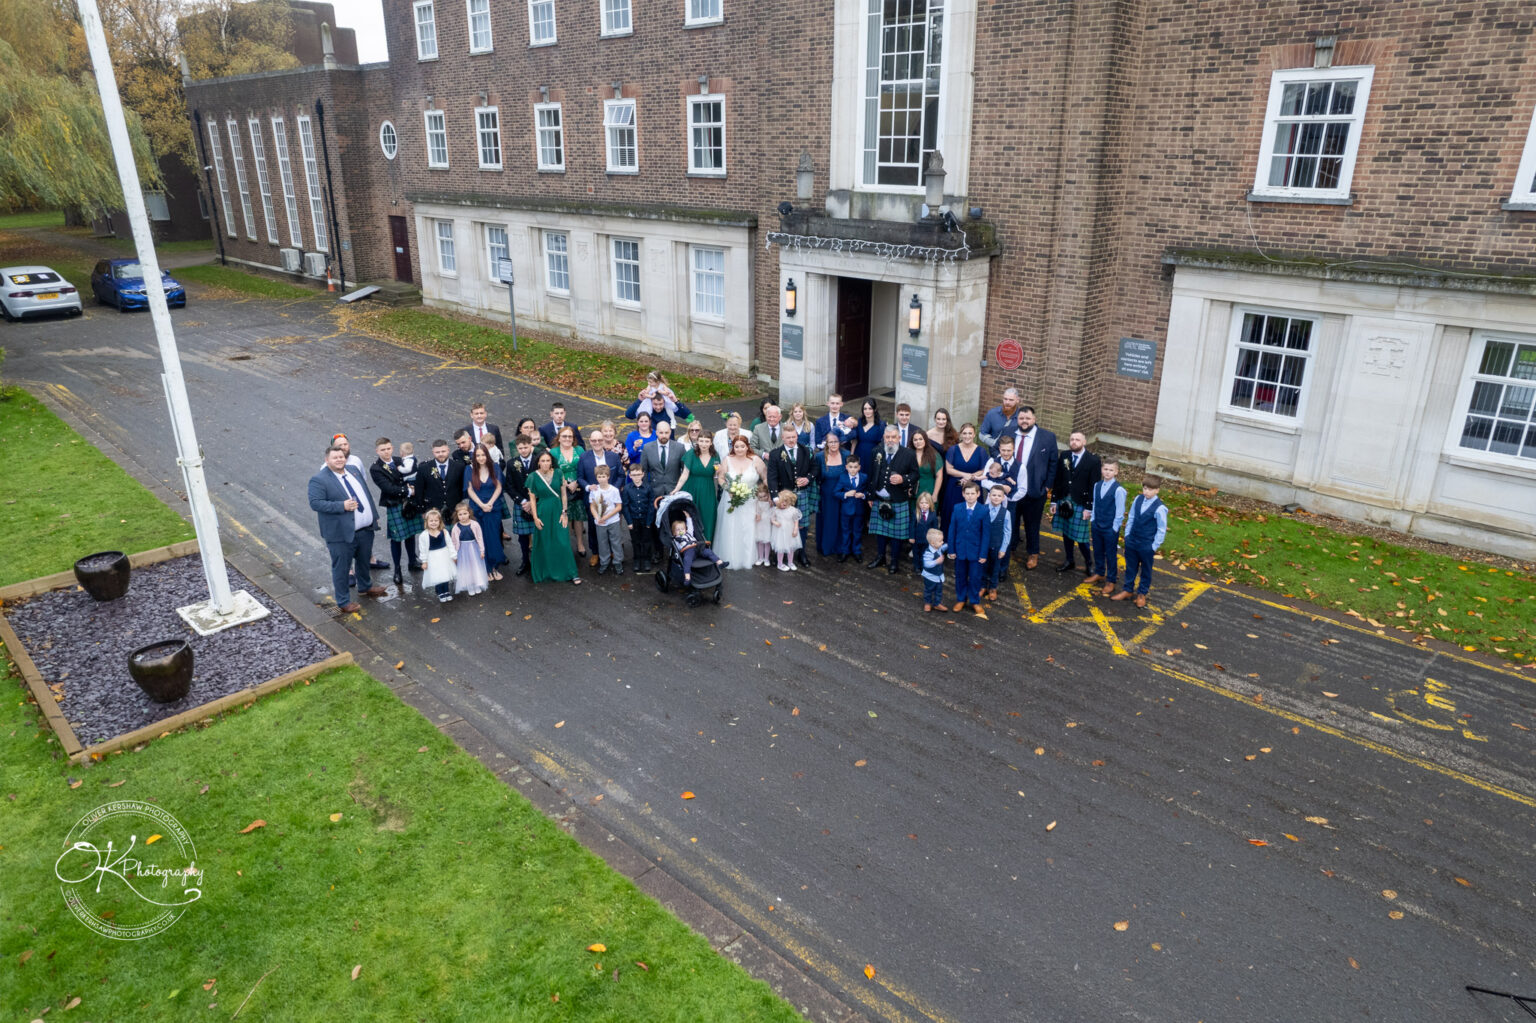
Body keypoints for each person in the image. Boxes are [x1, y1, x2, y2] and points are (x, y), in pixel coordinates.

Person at [308, 444, 388, 612]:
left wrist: (373, 516)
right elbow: (315, 503)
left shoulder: (353, 470)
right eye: (335, 457)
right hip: (340, 534)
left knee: (364, 560)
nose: (339, 460)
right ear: (327, 460)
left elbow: (365, 494)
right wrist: (342, 506)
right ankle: (343, 602)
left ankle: (365, 587)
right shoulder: (319, 479)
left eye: (341, 456)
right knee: (342, 568)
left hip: (365, 529)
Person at [370, 437, 422, 585]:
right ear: (377, 451)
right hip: (395, 504)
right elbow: (388, 488)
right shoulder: (376, 468)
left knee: (411, 534)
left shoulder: (400, 460)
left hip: (409, 503)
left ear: (392, 448)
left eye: (388, 448)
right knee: (397, 538)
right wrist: (408, 491)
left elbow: (414, 472)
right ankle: (397, 569)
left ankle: (413, 561)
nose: (386, 452)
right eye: (382, 450)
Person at [865, 425, 917, 573]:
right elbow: (871, 474)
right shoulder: (876, 451)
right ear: (883, 438)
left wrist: (903, 479)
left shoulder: (909, 454)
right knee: (880, 532)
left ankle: (894, 561)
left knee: (896, 534)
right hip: (879, 498)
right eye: (887, 437)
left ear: (899, 438)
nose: (890, 440)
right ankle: (880, 557)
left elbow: (915, 475)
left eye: (893, 437)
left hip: (898, 499)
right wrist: (870, 495)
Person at [1013, 406, 1059, 571]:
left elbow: (1054, 463)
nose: (1024, 421)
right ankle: (1011, 548)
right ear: (1017, 419)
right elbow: (998, 450)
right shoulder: (1010, 433)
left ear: (1034, 419)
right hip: (1012, 489)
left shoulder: (1047, 437)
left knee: (1032, 525)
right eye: (1021, 418)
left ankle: (1033, 553)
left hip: (1035, 490)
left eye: (1028, 418)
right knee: (1011, 521)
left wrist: (1047, 486)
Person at [527, 450, 582, 584]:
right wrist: (535, 517)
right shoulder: (533, 477)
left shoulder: (558, 473)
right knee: (545, 541)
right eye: (543, 461)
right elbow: (532, 499)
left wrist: (564, 512)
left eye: (548, 460)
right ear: (538, 462)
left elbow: (563, 494)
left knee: (563, 541)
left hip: (558, 509)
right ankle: (546, 571)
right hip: (543, 511)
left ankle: (571, 572)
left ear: (552, 461)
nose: (545, 463)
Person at [1113, 475, 1167, 608]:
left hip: (1146, 545)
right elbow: (1131, 518)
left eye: (1150, 489)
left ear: (1157, 491)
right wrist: (1127, 536)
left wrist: (1153, 546)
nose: (1146, 492)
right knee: (1130, 567)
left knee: (1146, 570)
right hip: (1132, 541)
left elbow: (1161, 529)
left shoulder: (1160, 508)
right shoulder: (1138, 499)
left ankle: (1142, 594)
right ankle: (1128, 590)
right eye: (1145, 488)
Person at [1051, 431, 1100, 574]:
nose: (1074, 442)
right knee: (1066, 533)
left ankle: (1089, 563)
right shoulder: (1065, 455)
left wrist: (1088, 508)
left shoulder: (1093, 460)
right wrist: (1054, 501)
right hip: (1063, 499)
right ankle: (1069, 560)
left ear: (1084, 442)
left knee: (1082, 537)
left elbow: (1093, 486)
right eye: (1072, 439)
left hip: (1081, 502)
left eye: (1077, 440)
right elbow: (1058, 479)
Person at [714, 435, 765, 569]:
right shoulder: (727, 460)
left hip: (750, 500)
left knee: (748, 528)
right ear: (733, 447)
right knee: (731, 527)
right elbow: (721, 478)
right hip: (730, 499)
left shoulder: (756, 460)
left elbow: (765, 479)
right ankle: (730, 556)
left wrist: (767, 497)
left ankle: (748, 557)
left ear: (747, 446)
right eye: (736, 446)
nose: (739, 449)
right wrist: (728, 489)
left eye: (742, 446)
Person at [768, 423, 816, 564]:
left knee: (802, 525)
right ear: (782, 438)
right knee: (782, 525)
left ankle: (802, 553)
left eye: (794, 437)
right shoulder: (775, 454)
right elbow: (771, 477)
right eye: (788, 437)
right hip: (784, 497)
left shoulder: (806, 450)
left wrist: (808, 478)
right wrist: (775, 497)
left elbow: (815, 468)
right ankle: (779, 554)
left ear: (797, 436)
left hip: (802, 494)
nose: (791, 440)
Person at [578, 428, 623, 566]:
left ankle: (612, 551)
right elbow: (580, 477)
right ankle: (596, 553)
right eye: (594, 440)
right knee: (594, 526)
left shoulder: (613, 457)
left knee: (613, 528)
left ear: (604, 441)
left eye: (599, 440)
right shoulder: (584, 457)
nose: (597, 443)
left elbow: (621, 475)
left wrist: (612, 490)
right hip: (594, 500)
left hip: (612, 501)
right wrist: (587, 487)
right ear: (590, 442)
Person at [463, 443, 508, 580]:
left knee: (493, 537)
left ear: (487, 455)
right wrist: (482, 504)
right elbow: (470, 489)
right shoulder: (469, 469)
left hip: (493, 508)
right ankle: (486, 568)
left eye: (483, 455)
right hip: (477, 509)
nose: (481, 458)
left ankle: (494, 567)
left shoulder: (494, 467)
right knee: (480, 539)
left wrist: (490, 503)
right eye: (478, 455)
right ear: (474, 457)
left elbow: (499, 487)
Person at [641, 420, 686, 553]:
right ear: (656, 433)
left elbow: (684, 471)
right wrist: (647, 489)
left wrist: (679, 489)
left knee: (675, 521)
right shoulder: (647, 448)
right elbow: (643, 471)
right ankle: (658, 551)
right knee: (657, 523)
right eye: (661, 432)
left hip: (674, 492)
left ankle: (676, 549)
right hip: (656, 492)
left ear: (670, 432)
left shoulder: (679, 448)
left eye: (666, 432)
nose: (664, 435)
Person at [946, 480, 988, 616]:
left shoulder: (983, 510)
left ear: (978, 494)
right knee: (960, 576)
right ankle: (961, 599)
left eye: (972, 493)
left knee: (975, 577)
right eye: (967, 493)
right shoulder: (957, 508)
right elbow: (952, 530)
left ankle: (975, 601)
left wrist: (983, 553)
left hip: (976, 551)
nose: (970, 496)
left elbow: (986, 534)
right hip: (960, 550)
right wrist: (951, 549)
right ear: (963, 494)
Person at [673, 430, 722, 542]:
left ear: (711, 443)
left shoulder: (715, 455)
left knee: (708, 517)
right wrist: (676, 489)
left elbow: (716, 475)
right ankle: (689, 544)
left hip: (708, 490)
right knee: (690, 517)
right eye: (701, 441)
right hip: (692, 488)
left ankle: (706, 545)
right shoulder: (691, 454)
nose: (703, 444)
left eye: (706, 441)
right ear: (697, 441)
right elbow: (685, 474)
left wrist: (719, 471)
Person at [1089, 456, 1127, 594]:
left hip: (1110, 528)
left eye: (1111, 470)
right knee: (1098, 550)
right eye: (1105, 469)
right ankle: (1099, 572)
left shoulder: (1119, 490)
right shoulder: (1097, 485)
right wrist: (1093, 520)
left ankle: (1111, 580)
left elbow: (1120, 511)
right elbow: (1095, 503)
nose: (1107, 472)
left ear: (1116, 472)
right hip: (1097, 524)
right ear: (1101, 470)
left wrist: (1115, 528)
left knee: (1110, 554)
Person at [552, 426, 588, 562]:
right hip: (561, 489)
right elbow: (552, 471)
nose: (567, 439)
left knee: (578, 518)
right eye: (564, 436)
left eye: (570, 436)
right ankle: (565, 545)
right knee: (564, 517)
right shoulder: (554, 453)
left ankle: (580, 543)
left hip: (578, 488)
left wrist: (577, 483)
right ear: (559, 438)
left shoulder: (579, 450)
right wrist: (565, 483)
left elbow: (584, 468)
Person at [942, 423, 988, 528]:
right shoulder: (953, 450)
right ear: (960, 435)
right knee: (952, 513)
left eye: (970, 433)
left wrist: (970, 477)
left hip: (973, 486)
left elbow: (983, 469)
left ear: (974, 435)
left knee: (972, 515)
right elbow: (949, 469)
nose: (967, 436)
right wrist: (964, 475)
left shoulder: (981, 451)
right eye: (964, 433)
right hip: (955, 486)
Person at [504, 434, 537, 576]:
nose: (523, 450)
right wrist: (523, 502)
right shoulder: (511, 463)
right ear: (517, 448)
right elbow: (509, 486)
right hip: (521, 503)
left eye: (525, 447)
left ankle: (539, 562)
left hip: (538, 502)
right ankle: (525, 561)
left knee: (540, 533)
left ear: (531, 446)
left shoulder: (539, 460)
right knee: (523, 536)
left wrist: (533, 502)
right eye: (520, 448)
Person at [813, 431, 848, 558]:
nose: (833, 444)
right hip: (826, 495)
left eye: (836, 441)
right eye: (830, 442)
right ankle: (827, 546)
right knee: (828, 521)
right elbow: (816, 477)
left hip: (843, 494)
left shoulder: (846, 455)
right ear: (826, 443)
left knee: (842, 521)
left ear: (840, 442)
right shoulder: (820, 456)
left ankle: (841, 547)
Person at [979, 483, 1014, 602]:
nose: (996, 497)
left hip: (997, 546)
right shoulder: (982, 510)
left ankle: (993, 588)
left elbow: (1007, 532)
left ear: (1003, 497)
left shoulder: (1006, 513)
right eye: (993, 495)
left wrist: (1003, 549)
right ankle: (983, 586)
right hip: (983, 546)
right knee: (983, 566)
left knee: (995, 567)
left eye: (999, 495)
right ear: (989, 495)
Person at [588, 464, 625, 575]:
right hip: (600, 522)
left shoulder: (614, 490)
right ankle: (604, 561)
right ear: (596, 478)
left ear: (608, 476)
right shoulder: (594, 490)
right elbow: (592, 506)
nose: (602, 479)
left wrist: (606, 517)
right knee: (602, 542)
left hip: (612, 521)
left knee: (616, 542)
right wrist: (597, 517)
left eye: (604, 476)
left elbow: (618, 506)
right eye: (599, 477)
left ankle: (618, 561)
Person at [415, 508, 457, 603]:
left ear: (440, 521)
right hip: (432, 557)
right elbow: (422, 550)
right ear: (427, 522)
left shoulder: (444, 531)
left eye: (436, 520)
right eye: (431, 521)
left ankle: (446, 591)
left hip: (444, 555)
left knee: (445, 573)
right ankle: (440, 592)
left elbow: (450, 544)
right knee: (437, 575)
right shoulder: (424, 535)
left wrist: (454, 556)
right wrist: (424, 561)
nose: (433, 523)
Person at [416, 439, 465, 519]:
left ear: (448, 450)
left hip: (454, 509)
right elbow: (419, 491)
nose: (440, 454)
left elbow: (462, 486)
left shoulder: (459, 466)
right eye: (437, 452)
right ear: (433, 452)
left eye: (443, 451)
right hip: (432, 509)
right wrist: (422, 510)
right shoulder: (424, 468)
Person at [833, 454, 868, 563]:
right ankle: (845, 551)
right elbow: (835, 492)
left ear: (859, 467)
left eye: (855, 467)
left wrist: (863, 495)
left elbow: (868, 491)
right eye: (850, 467)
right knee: (845, 531)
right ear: (846, 467)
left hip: (859, 510)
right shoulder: (842, 477)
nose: (853, 469)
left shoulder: (864, 477)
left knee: (857, 531)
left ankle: (856, 551)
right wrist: (846, 494)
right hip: (846, 510)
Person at [451, 500, 489, 596]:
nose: (463, 516)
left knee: (474, 566)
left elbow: (480, 538)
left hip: (473, 548)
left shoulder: (475, 524)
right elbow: (454, 542)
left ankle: (476, 584)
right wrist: (454, 554)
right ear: (457, 515)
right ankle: (469, 586)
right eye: (460, 514)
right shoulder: (456, 527)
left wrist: (482, 551)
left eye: (465, 513)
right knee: (466, 568)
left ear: (469, 513)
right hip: (462, 550)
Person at [622, 463, 655, 572]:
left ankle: (646, 559)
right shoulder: (626, 489)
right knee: (635, 540)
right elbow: (625, 506)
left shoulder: (648, 488)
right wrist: (629, 522)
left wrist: (649, 521)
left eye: (638, 474)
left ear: (643, 475)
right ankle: (637, 559)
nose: (636, 477)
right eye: (634, 475)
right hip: (634, 519)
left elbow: (651, 505)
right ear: (629, 476)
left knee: (646, 540)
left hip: (646, 519)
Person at [671, 518, 724, 585]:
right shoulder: (676, 540)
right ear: (674, 532)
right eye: (678, 530)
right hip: (688, 551)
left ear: (686, 529)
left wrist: (688, 517)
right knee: (687, 560)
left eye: (682, 529)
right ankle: (687, 577)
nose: (681, 531)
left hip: (698, 548)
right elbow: (677, 548)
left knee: (708, 551)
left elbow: (690, 526)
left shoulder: (689, 533)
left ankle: (719, 562)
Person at [909, 430, 943, 523]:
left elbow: (939, 476)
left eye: (920, 439)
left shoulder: (934, 455)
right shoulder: (908, 454)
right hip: (912, 493)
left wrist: (935, 494)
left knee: (928, 521)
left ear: (925, 440)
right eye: (915, 440)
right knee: (913, 520)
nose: (918, 442)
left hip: (929, 491)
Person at [978, 387, 1022, 453]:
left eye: (1011, 400)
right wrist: (995, 444)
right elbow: (982, 434)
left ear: (1017, 400)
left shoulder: (1023, 417)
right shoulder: (992, 414)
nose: (1007, 402)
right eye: (1005, 399)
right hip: (995, 456)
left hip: (1016, 457)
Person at [625, 388, 691, 430]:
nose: (658, 407)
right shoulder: (646, 411)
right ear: (651, 402)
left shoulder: (669, 410)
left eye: (661, 404)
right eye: (655, 404)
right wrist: (639, 400)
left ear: (665, 402)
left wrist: (676, 401)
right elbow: (629, 415)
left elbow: (687, 415)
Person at [770, 489, 802, 571]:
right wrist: (775, 522)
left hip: (790, 532)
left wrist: (795, 529)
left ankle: (790, 562)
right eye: (781, 502)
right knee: (780, 548)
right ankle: (780, 564)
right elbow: (772, 518)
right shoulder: (776, 509)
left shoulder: (793, 510)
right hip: (780, 532)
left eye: (785, 502)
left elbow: (796, 521)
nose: (782, 504)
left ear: (790, 502)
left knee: (791, 548)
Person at [910, 491, 940, 576]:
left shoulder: (933, 514)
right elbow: (912, 525)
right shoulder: (915, 512)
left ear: (930, 504)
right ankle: (916, 566)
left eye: (926, 503)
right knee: (916, 553)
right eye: (921, 503)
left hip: (927, 540)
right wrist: (911, 537)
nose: (924, 505)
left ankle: (924, 566)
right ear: (918, 503)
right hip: (916, 538)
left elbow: (935, 528)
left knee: (925, 553)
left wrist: (935, 539)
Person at [920, 528, 949, 612]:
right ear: (933, 543)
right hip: (930, 576)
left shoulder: (938, 548)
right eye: (940, 541)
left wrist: (948, 544)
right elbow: (927, 564)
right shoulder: (928, 552)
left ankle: (937, 603)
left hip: (938, 576)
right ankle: (927, 603)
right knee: (928, 590)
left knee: (939, 590)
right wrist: (937, 561)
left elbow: (943, 548)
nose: (942, 542)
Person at [753, 483, 774, 567]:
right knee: (760, 541)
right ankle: (760, 558)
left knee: (767, 542)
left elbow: (773, 511)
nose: (762, 498)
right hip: (760, 523)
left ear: (768, 494)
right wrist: (757, 515)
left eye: (764, 496)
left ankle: (766, 558)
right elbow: (757, 511)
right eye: (760, 497)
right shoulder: (758, 503)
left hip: (768, 523)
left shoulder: (770, 503)